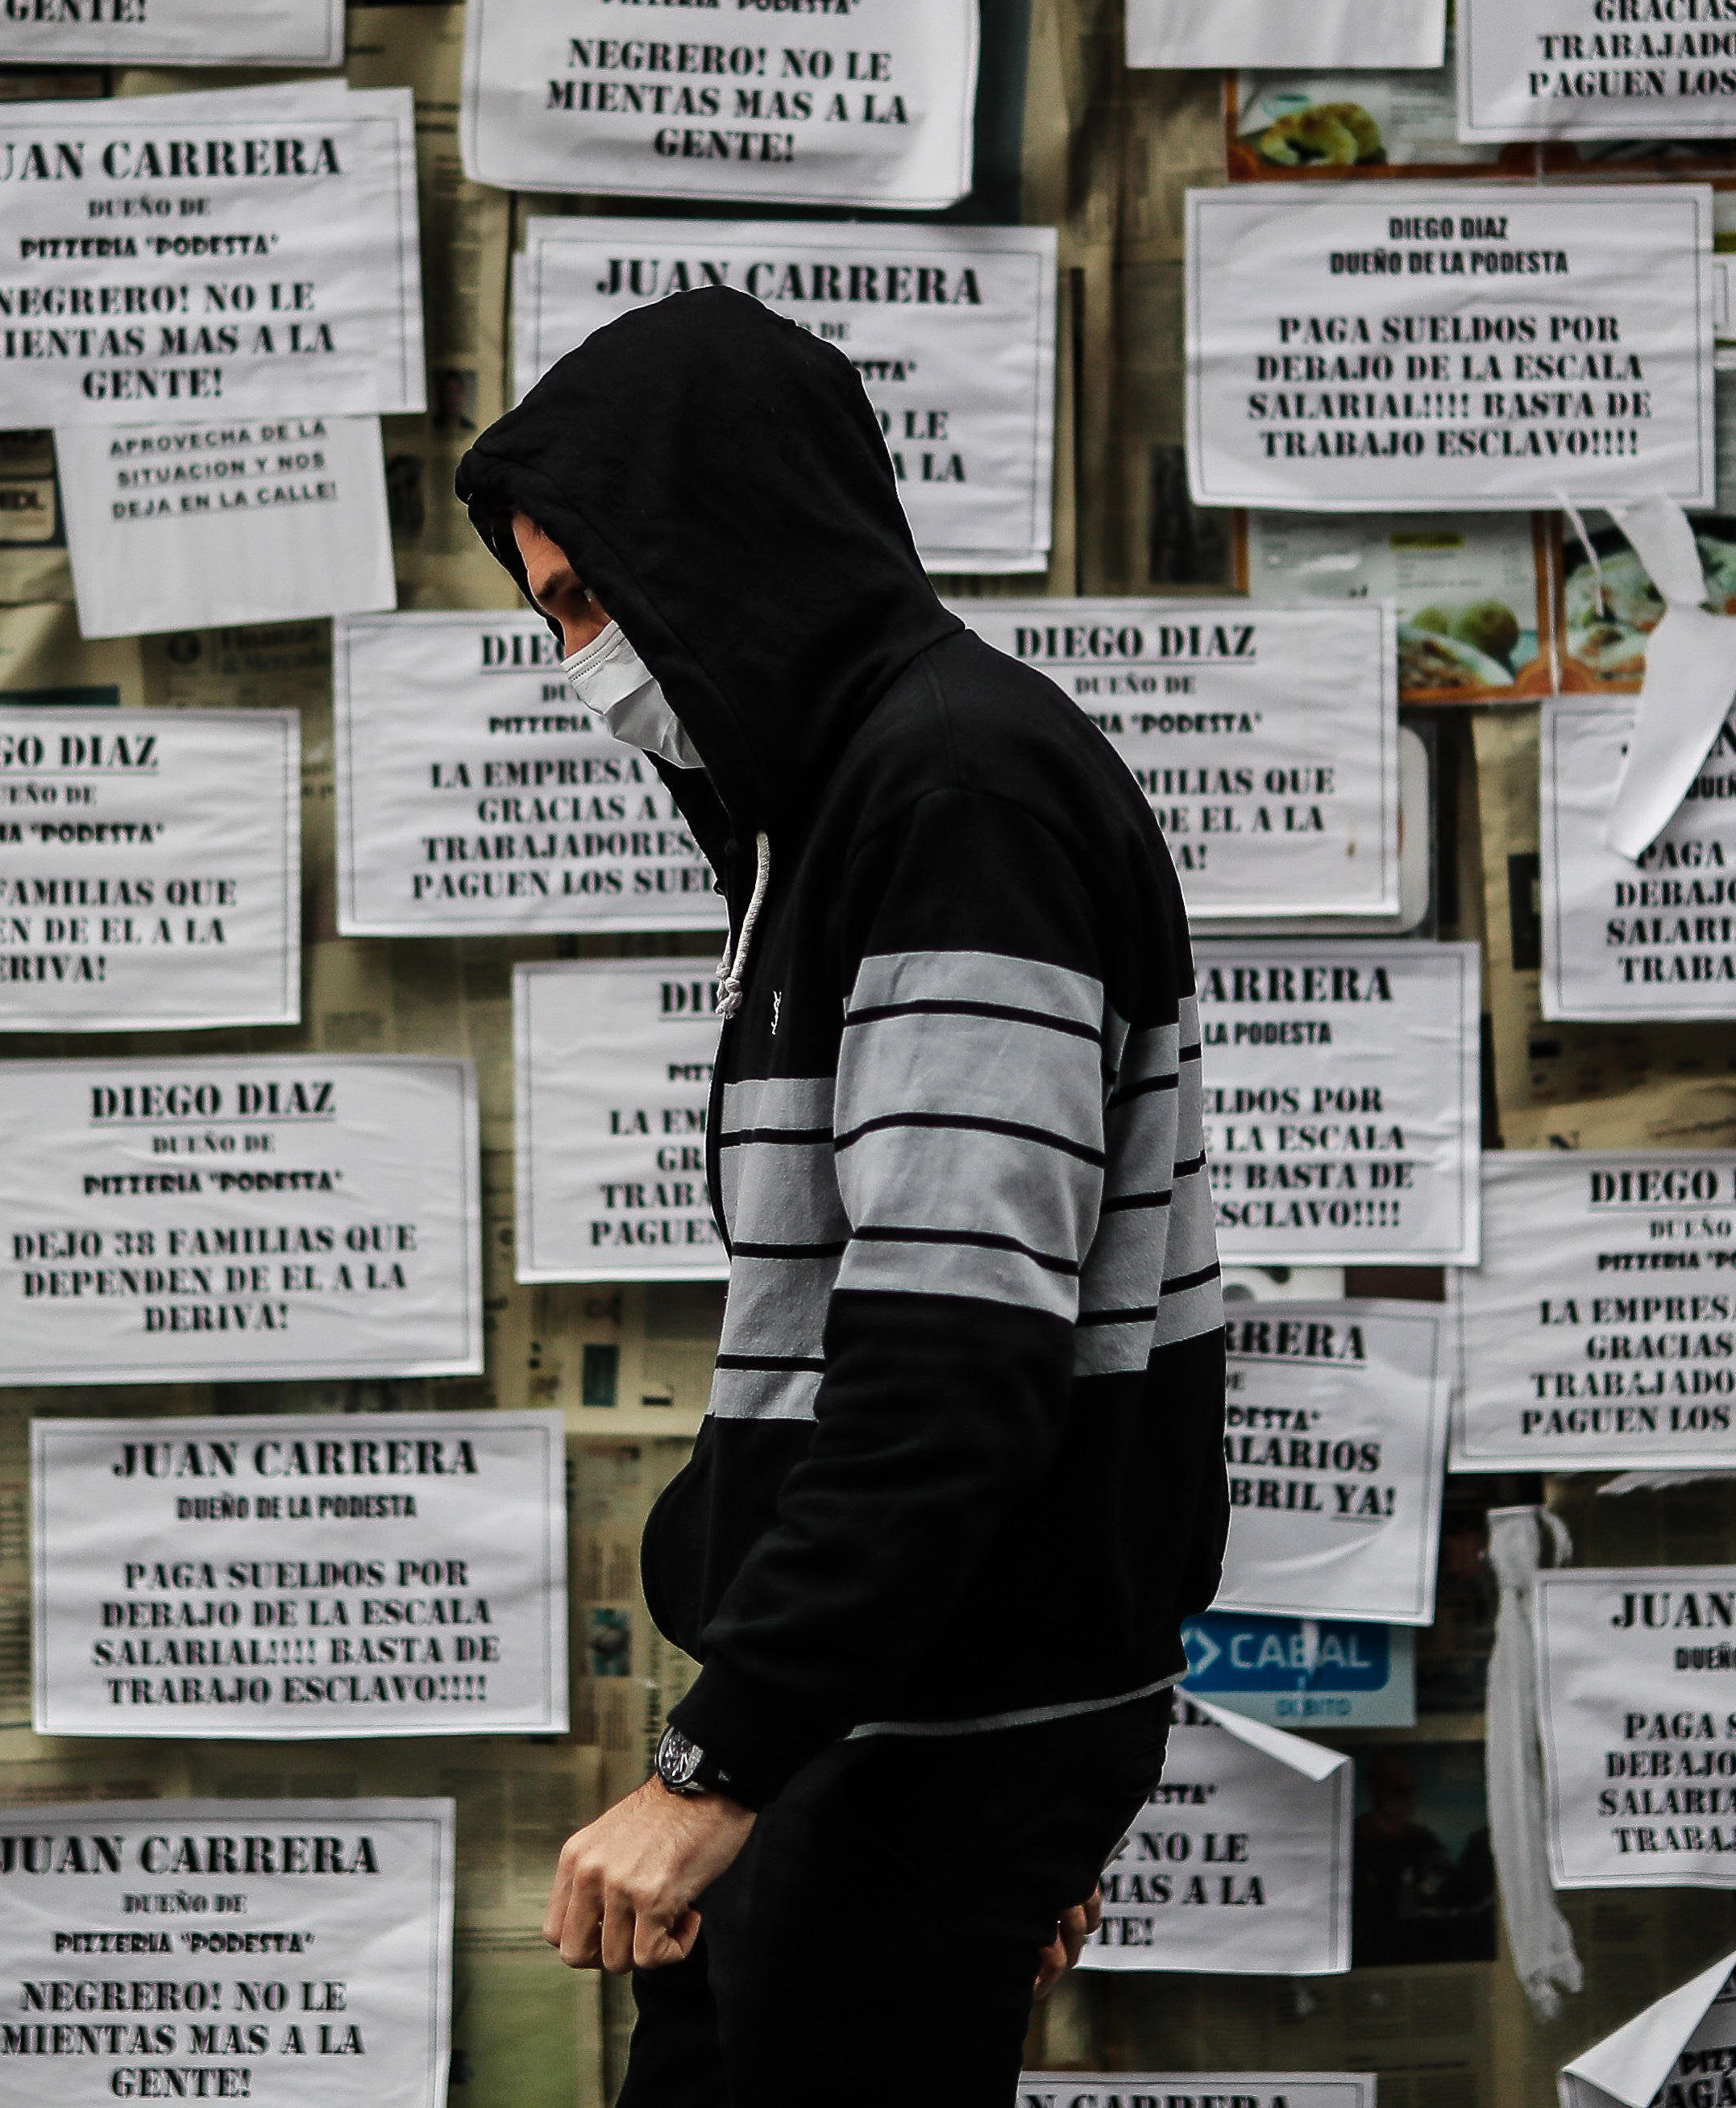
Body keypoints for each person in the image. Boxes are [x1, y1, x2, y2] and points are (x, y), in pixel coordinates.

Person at [461, 288, 1229, 2107]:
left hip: (915, 1728)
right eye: (547, 615)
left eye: (591, 599)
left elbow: (953, 1358)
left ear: (719, 543)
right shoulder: (848, 805)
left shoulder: (953, 793)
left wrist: (715, 1766)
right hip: (897, 1719)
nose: (580, 659)